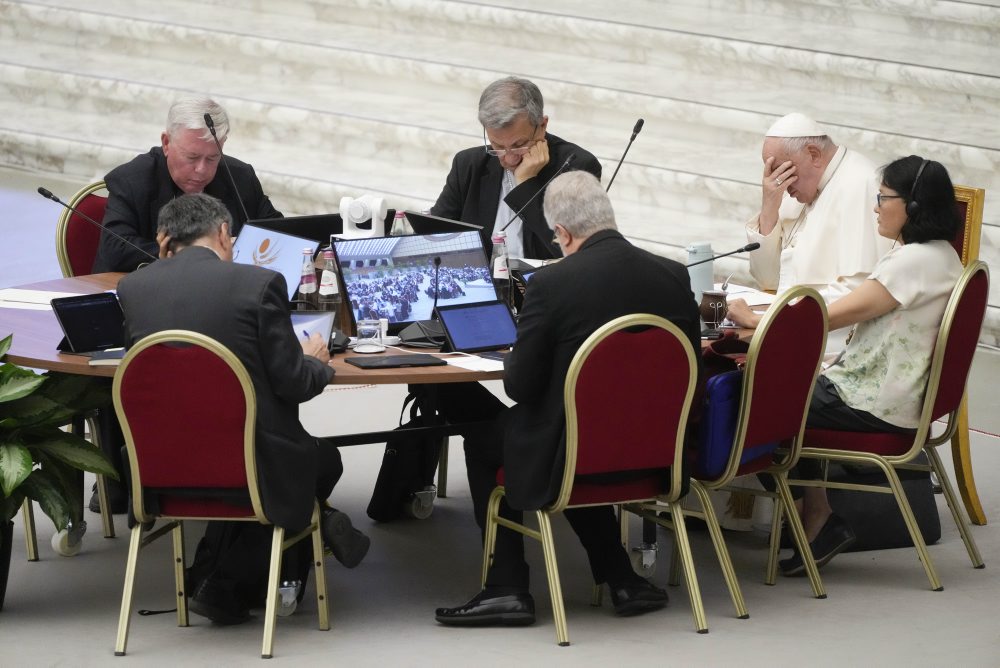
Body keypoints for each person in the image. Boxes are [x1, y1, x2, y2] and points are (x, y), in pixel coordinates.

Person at [435, 172, 701, 627]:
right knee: (584, 427)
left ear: (561, 233)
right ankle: (621, 577)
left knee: (485, 442)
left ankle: (506, 586)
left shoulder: (552, 285)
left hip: (572, 454)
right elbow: (689, 364)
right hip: (657, 453)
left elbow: (518, 387)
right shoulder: (674, 276)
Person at [116, 193, 368, 623]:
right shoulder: (258, 284)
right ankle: (234, 580)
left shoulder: (133, 288)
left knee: (244, 457)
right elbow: (294, 384)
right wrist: (318, 361)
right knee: (320, 460)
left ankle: (217, 579)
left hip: (159, 467)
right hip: (248, 464)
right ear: (223, 233)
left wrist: (162, 265)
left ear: (165, 239)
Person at [730, 155, 963, 575]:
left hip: (874, 404)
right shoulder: (942, 255)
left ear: (911, 206)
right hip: (891, 397)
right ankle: (817, 516)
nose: (875, 206)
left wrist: (754, 320)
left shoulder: (912, 263)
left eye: (883, 198)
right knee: (787, 387)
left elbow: (829, 316)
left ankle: (814, 518)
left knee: (745, 400)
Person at [744, 112, 892, 347]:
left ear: (813, 154)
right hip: (792, 324)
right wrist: (769, 206)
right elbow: (768, 280)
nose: (778, 182)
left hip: (832, 342)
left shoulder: (861, 184)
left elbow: (858, 291)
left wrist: (772, 317)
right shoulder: (796, 190)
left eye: (781, 170)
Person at [93, 96, 281, 274]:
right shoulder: (132, 180)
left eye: (212, 158)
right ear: (166, 143)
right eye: (192, 157)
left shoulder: (240, 176)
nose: (201, 169)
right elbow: (115, 248)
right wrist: (198, 251)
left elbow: (279, 232)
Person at [430, 76, 602, 261]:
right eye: (497, 146)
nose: (509, 158)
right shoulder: (468, 164)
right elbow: (436, 233)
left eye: (519, 144)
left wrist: (526, 185)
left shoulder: (576, 168)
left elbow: (574, 251)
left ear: (542, 125)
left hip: (544, 285)